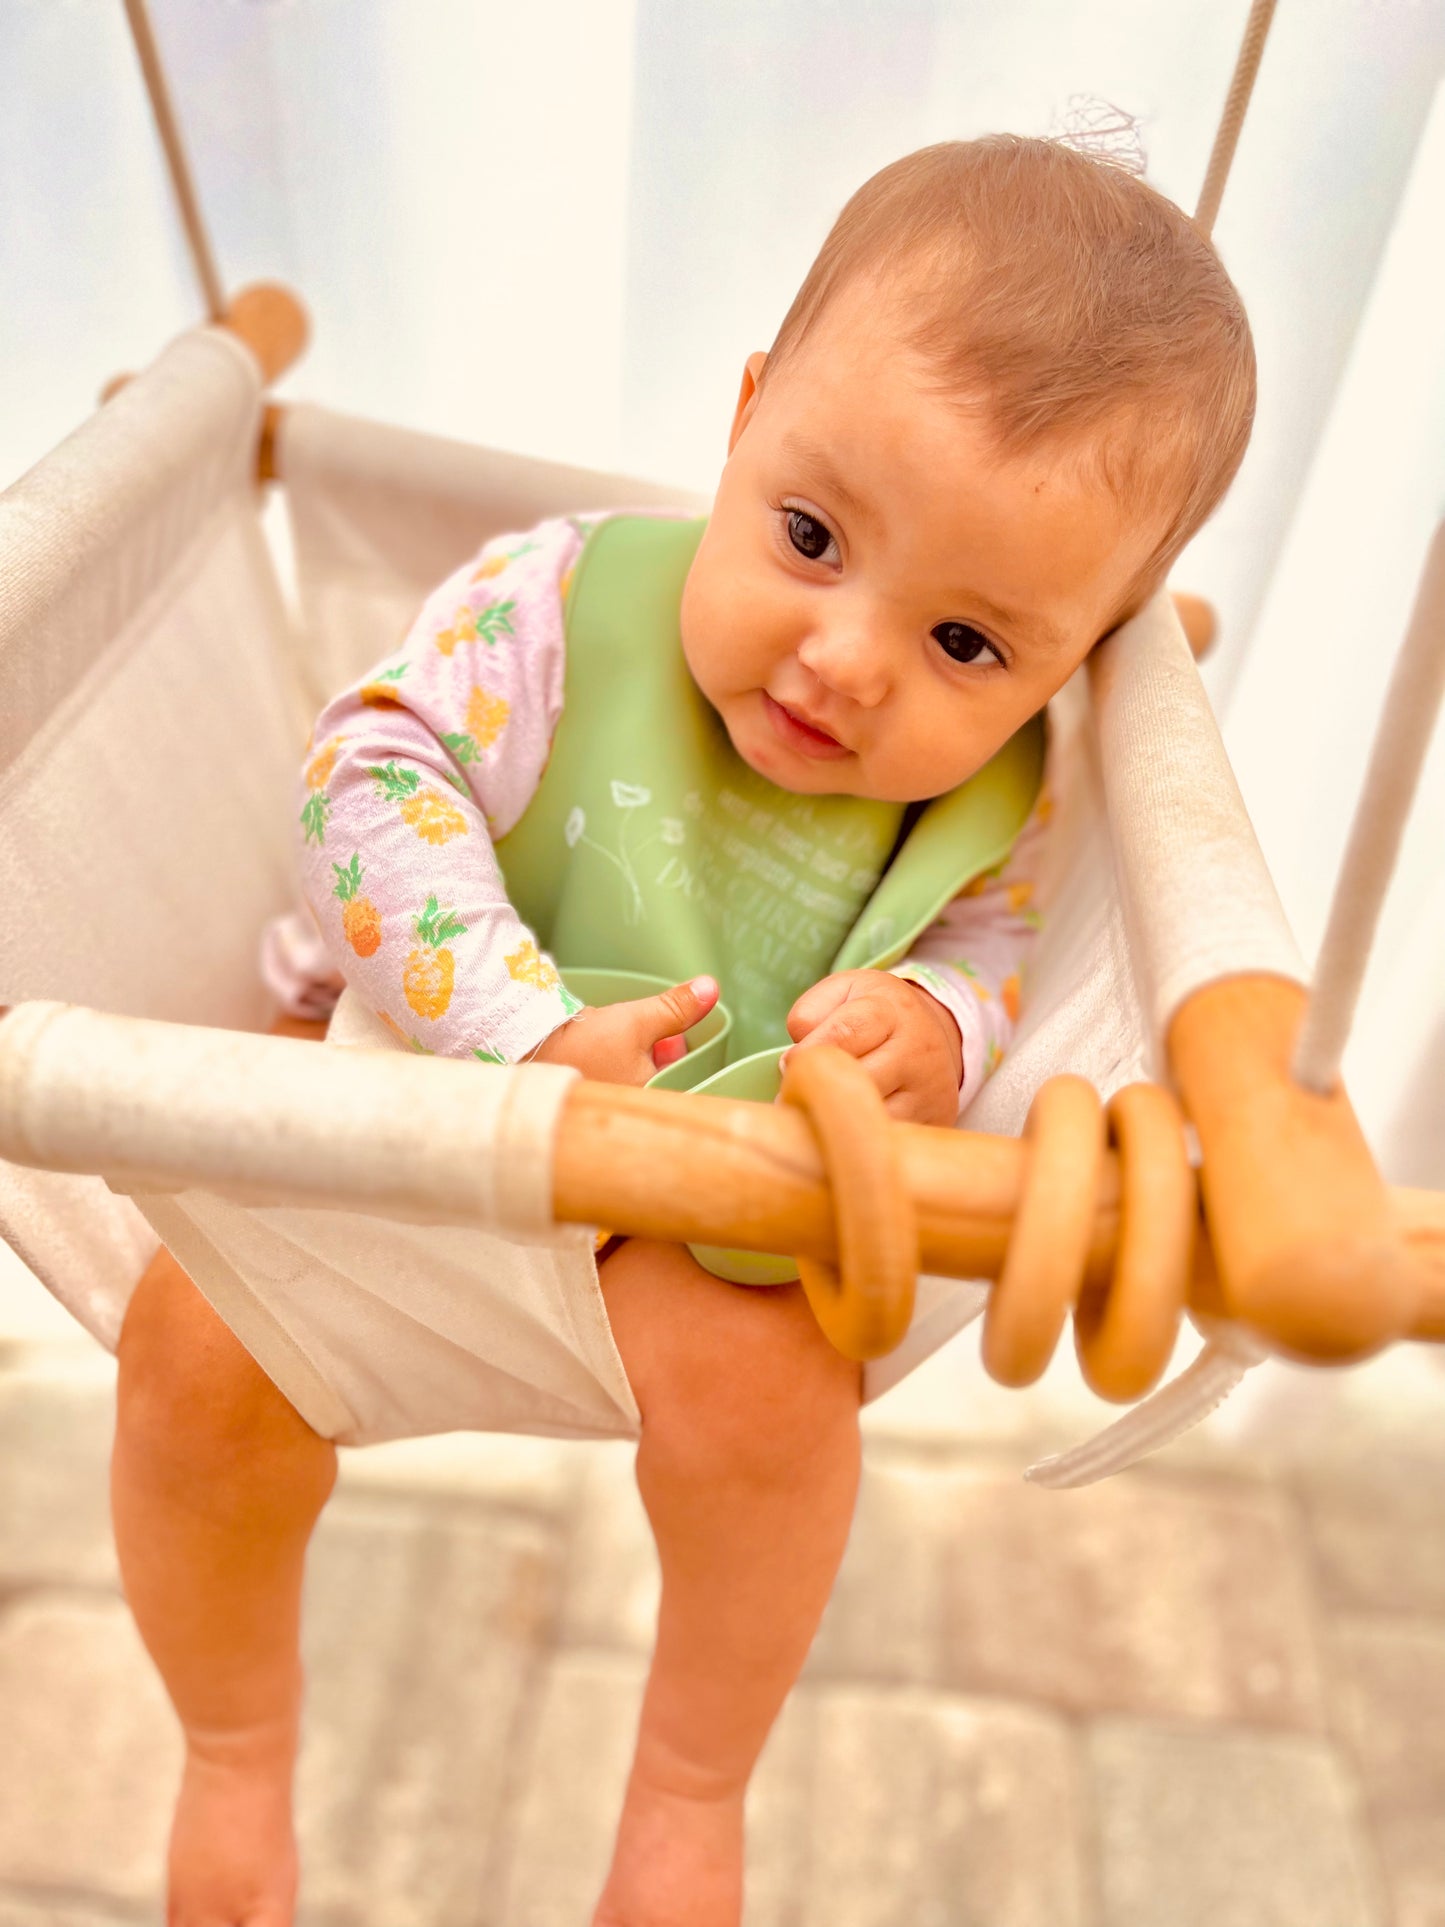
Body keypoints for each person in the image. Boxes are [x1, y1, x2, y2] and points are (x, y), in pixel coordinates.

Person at [111, 135, 1255, 1927]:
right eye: (811, 538)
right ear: (741, 421)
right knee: (193, 1355)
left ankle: (687, 1795)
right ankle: (233, 1747)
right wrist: (507, 1022)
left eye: (967, 643)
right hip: (395, 1097)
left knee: (784, 1417)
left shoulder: (1009, 791)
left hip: (688, 1190)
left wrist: (935, 1028)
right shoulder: (559, 606)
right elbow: (364, 780)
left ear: (1079, 658)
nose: (847, 662)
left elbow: (994, 937)